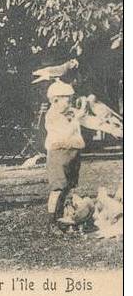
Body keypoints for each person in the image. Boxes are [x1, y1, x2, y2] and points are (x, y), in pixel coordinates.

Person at [44, 80, 88, 232]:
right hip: (59, 153)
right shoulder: (53, 116)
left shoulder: (66, 112)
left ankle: (62, 216)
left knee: (68, 187)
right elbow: (65, 133)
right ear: (55, 100)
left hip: (72, 152)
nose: (69, 104)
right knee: (58, 188)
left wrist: (80, 111)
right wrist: (76, 118)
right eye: (67, 101)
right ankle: (52, 221)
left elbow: (78, 121)